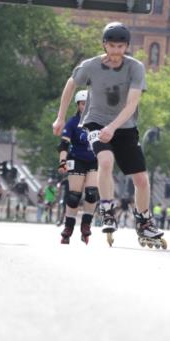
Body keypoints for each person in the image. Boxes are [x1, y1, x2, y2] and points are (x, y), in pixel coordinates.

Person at [52, 21, 165, 247]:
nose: (116, 51)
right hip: (95, 122)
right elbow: (71, 83)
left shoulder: (135, 68)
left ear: (127, 47)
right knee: (105, 161)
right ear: (105, 44)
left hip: (124, 126)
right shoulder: (91, 65)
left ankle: (144, 221)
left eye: (120, 47)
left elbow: (132, 103)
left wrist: (113, 127)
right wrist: (60, 117)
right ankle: (106, 208)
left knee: (141, 179)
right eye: (112, 46)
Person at [57, 89, 99, 244]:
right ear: (78, 105)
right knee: (74, 196)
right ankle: (68, 228)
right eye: (82, 104)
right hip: (76, 159)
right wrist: (62, 161)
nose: (84, 106)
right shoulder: (73, 122)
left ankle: (86, 225)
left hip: (94, 159)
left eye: (87, 104)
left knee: (92, 193)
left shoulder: (98, 122)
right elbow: (64, 144)